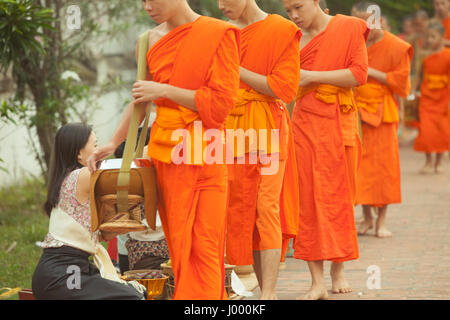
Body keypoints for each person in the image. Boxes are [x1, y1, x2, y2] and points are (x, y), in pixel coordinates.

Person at [87, 0, 240, 300]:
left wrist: (165, 91)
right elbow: (141, 101)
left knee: (207, 245)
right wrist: (111, 143)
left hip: (208, 151)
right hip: (168, 156)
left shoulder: (220, 33)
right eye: (142, 1)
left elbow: (221, 105)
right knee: (181, 246)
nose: (146, 7)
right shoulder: (147, 41)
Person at [282, 0, 369, 300]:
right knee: (309, 199)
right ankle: (316, 280)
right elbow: (285, 85)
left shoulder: (348, 27)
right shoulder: (291, 39)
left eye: (298, 7)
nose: (294, 16)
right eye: (288, 10)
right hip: (305, 122)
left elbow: (358, 74)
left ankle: (338, 267)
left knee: (342, 196)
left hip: (340, 119)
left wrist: (313, 77)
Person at [218, 0, 301, 300]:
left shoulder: (281, 29)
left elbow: (284, 88)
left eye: (226, 0)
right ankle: (245, 281)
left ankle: (270, 292)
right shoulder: (222, 32)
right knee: (236, 207)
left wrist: (236, 70)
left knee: (266, 208)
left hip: (267, 126)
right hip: (228, 130)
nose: (221, 5)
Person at [32, 123, 146, 300]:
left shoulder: (68, 179)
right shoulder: (83, 175)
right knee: (131, 296)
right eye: (95, 145)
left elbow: (103, 235)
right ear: (79, 153)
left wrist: (121, 223)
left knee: (132, 292)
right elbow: (128, 172)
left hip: (62, 272)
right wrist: (151, 152)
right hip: (65, 274)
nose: (99, 150)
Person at [352, 2, 413, 239]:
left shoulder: (396, 47)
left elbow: (401, 84)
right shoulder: (354, 43)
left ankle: (382, 221)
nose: (362, 27)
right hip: (356, 112)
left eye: (366, 21)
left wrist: (369, 72)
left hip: (383, 113)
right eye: (357, 21)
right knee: (361, 168)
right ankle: (367, 217)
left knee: (384, 169)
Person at [413, 23, 450, 173]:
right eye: (428, 37)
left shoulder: (448, 55)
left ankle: (438, 163)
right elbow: (419, 75)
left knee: (442, 131)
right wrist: (413, 91)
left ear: (442, 38)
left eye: (433, 36)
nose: (429, 40)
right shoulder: (424, 55)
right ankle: (428, 161)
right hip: (426, 96)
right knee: (426, 130)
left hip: (442, 97)